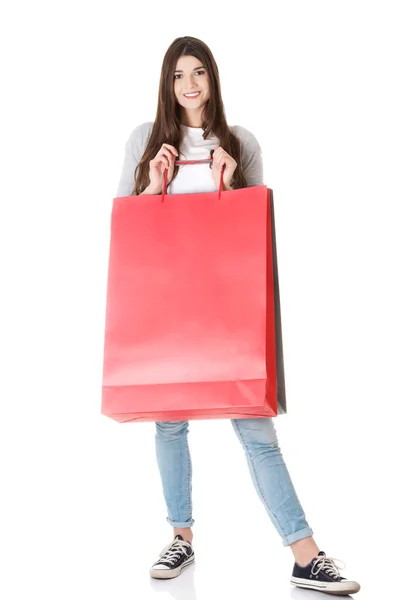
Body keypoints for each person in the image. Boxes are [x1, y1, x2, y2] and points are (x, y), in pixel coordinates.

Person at [115, 35, 361, 596]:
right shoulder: (144, 141)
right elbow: (127, 229)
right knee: (169, 422)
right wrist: (153, 185)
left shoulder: (240, 141)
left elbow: (253, 233)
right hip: (169, 308)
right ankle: (181, 538)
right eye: (178, 76)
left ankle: (306, 554)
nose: (189, 85)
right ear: (166, 84)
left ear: (213, 79)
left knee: (257, 430)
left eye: (198, 72)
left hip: (225, 311)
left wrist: (240, 182)